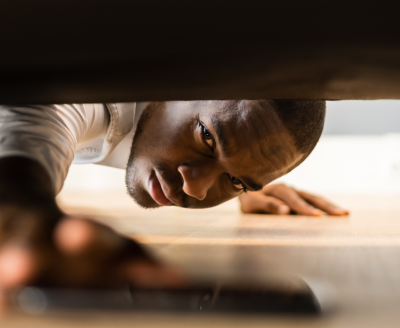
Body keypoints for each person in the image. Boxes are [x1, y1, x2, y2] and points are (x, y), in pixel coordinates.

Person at [0, 100, 348, 306]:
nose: (196, 190)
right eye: (207, 138)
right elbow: (25, 137)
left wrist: (242, 180)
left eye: (236, 180)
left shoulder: (198, 124)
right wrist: (23, 212)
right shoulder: (87, 95)